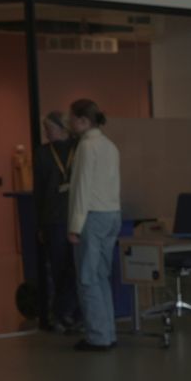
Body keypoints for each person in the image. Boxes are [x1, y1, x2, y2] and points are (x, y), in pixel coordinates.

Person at [65, 99, 120, 352]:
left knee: (87, 278)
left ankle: (98, 337)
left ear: (83, 121)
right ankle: (108, 332)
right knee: (100, 276)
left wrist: (75, 225)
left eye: (72, 118)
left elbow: (82, 188)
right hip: (112, 214)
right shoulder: (110, 145)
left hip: (92, 217)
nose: (69, 122)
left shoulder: (86, 146)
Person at [33, 111, 80, 333]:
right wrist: (40, 225)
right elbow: (39, 191)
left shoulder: (79, 148)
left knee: (77, 267)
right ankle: (63, 314)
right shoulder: (42, 153)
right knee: (59, 267)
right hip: (54, 219)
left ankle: (71, 312)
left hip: (77, 216)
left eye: (49, 128)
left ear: (63, 128)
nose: (46, 133)